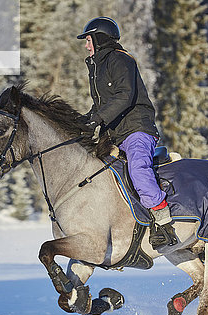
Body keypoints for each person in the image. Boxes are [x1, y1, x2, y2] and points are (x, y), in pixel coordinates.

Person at [77, 16, 177, 248]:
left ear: (99, 39)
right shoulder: (97, 68)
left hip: (136, 129)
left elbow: (125, 95)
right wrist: (85, 122)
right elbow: (101, 104)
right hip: (114, 135)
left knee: (137, 168)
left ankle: (163, 220)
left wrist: (99, 118)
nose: (86, 45)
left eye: (88, 39)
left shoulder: (121, 60)